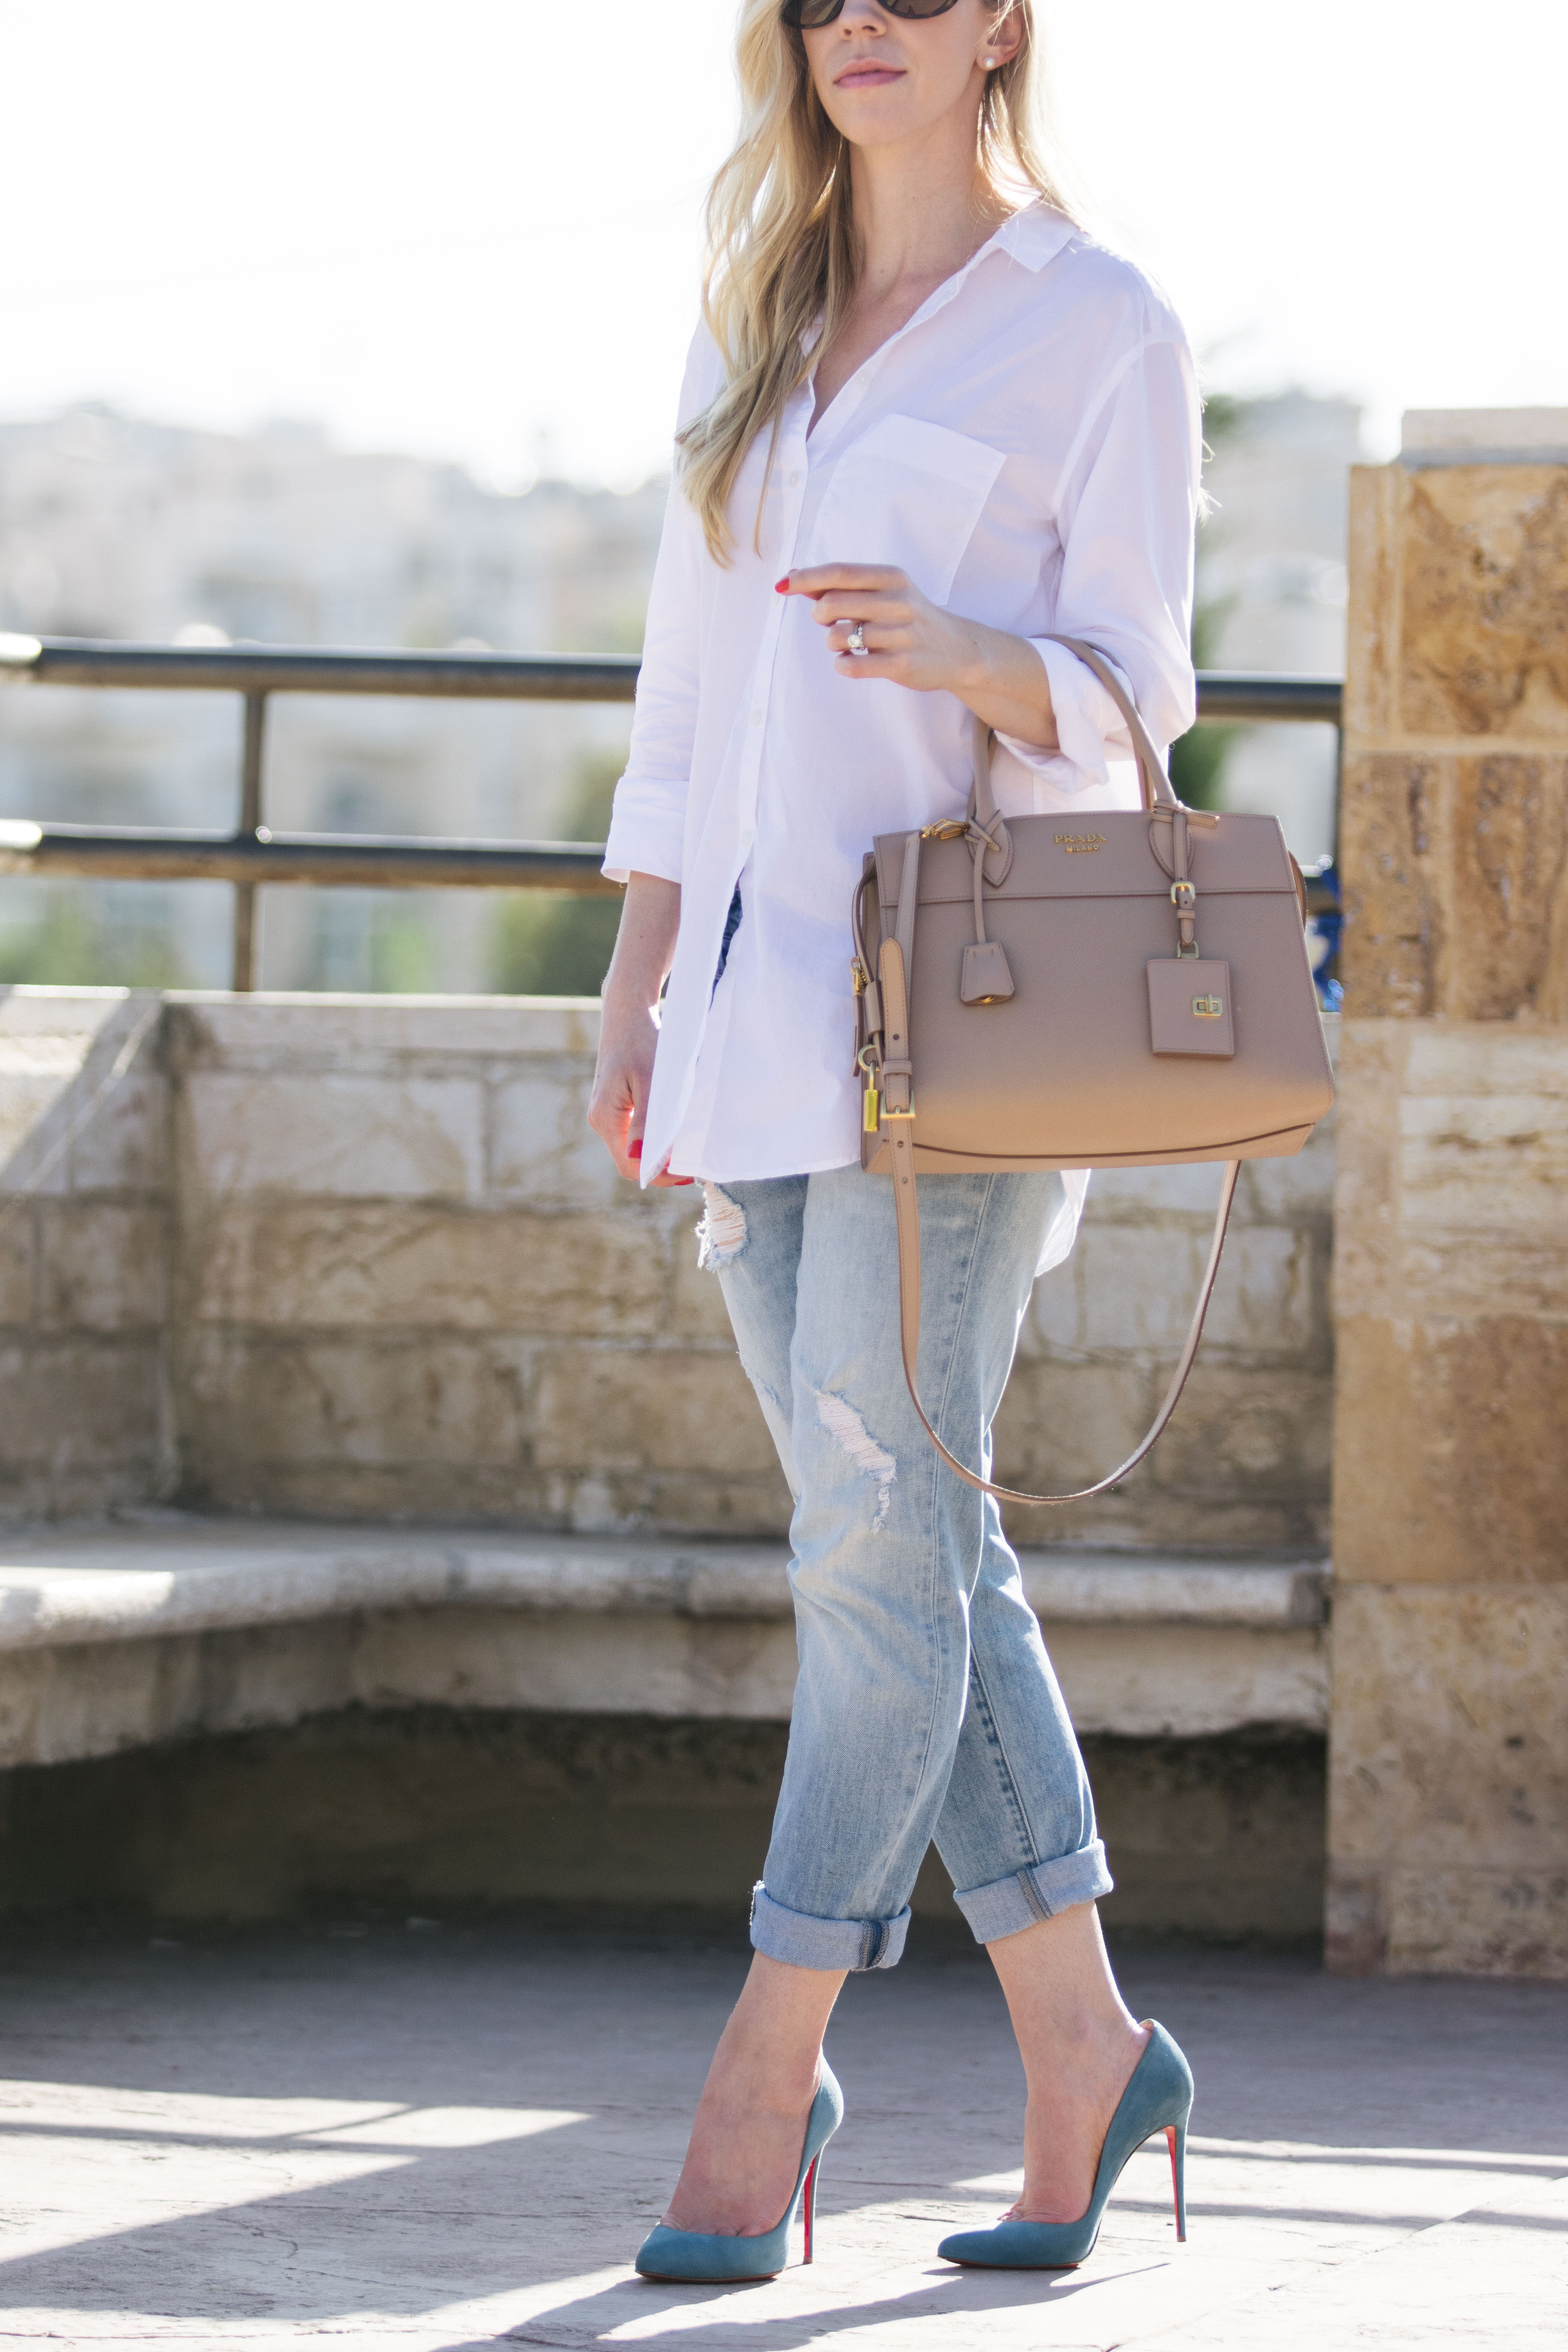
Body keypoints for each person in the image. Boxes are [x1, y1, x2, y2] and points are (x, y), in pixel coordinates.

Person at [588, 0, 1198, 2282]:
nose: (866, 22)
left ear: (1004, 23)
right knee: (908, 1556)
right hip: (744, 1024)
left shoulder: (1099, 323)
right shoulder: (758, 307)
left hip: (959, 1022)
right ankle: (1084, 2046)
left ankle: (768, 2071)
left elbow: (1146, 674)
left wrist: (966, 649)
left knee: (875, 1561)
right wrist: (633, 987)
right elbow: (683, 700)